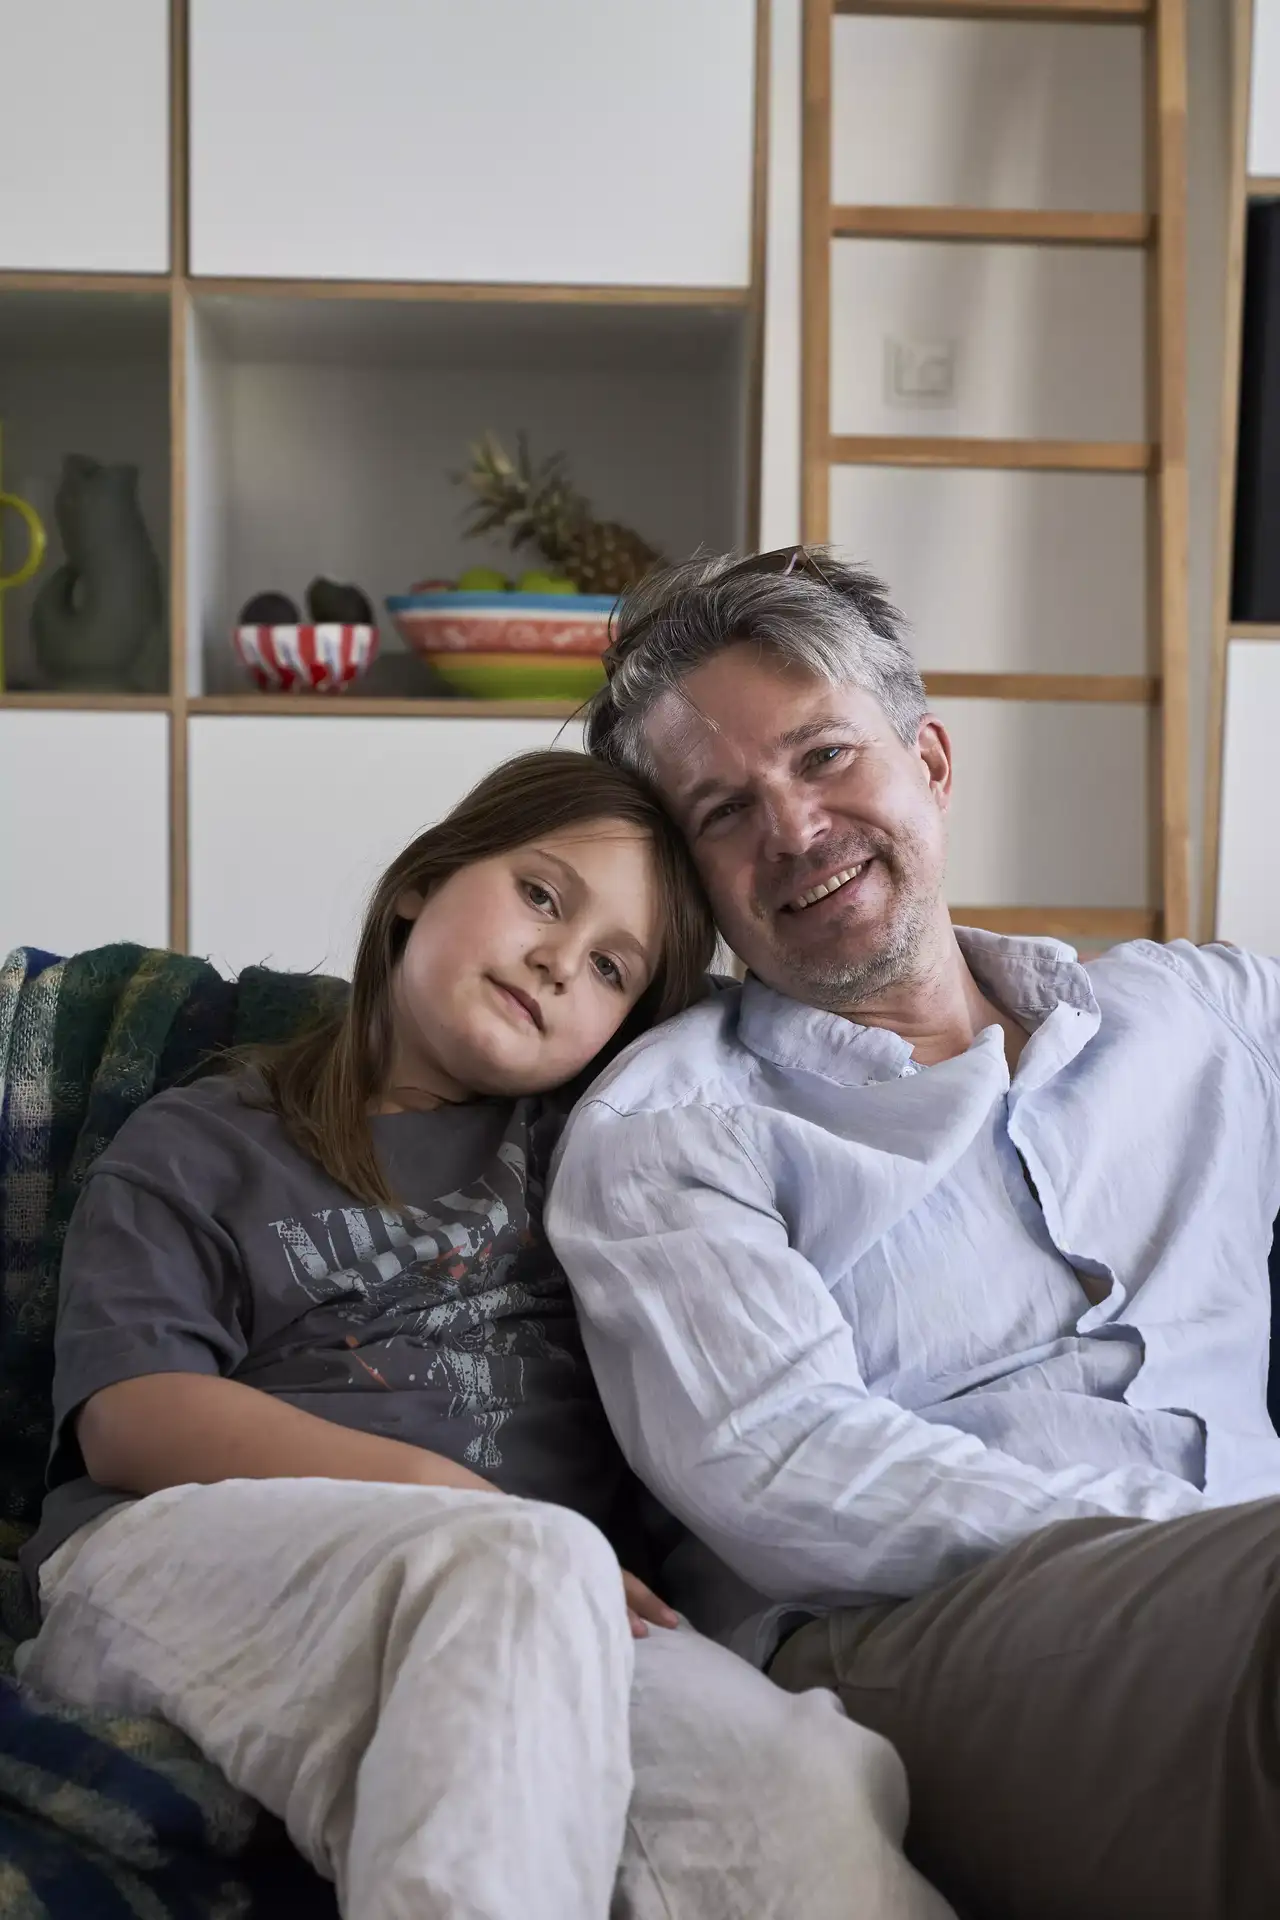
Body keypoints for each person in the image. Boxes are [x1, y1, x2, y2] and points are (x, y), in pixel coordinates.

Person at [19, 749, 952, 1920]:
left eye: (613, 968)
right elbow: (133, 1417)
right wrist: (453, 1498)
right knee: (524, 1564)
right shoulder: (203, 1138)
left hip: (562, 1608)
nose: (561, 961)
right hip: (181, 1554)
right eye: (542, 896)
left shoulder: (597, 1149)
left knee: (799, 1775)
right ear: (422, 880)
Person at [546, 550, 1280, 1920]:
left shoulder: (1208, 1019)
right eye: (724, 811)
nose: (797, 828)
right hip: (916, 1646)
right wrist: (1194, 1548)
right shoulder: (671, 1130)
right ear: (695, 883)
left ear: (930, 761)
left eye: (826, 756)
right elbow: (781, 1464)